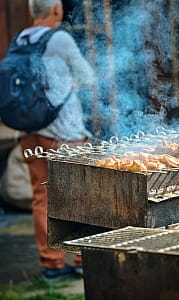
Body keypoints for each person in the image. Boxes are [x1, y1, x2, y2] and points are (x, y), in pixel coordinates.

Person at [15, 0, 95, 281]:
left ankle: (51, 265)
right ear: (56, 11)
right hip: (65, 135)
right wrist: (73, 83)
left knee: (42, 197)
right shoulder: (59, 38)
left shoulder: (21, 38)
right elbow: (87, 77)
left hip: (30, 132)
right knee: (81, 196)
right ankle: (84, 259)